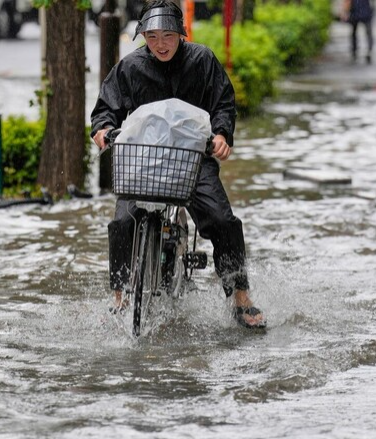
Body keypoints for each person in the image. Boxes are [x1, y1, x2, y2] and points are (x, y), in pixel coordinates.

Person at [90, 0, 266, 329]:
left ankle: (241, 295)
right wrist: (102, 130)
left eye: (168, 35)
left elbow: (223, 103)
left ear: (181, 35)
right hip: (143, 161)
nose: (160, 44)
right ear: (143, 36)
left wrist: (222, 135)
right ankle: (120, 297)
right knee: (122, 222)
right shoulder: (130, 67)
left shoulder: (202, 60)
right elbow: (106, 107)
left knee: (222, 220)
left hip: (191, 160)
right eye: (152, 36)